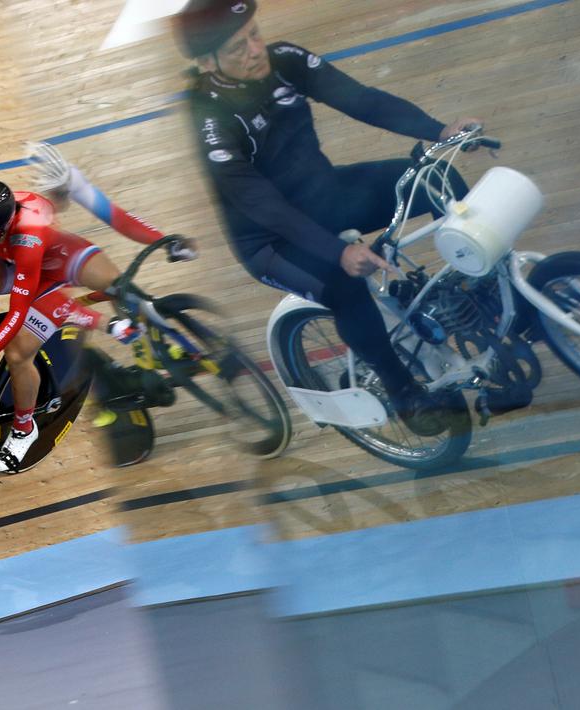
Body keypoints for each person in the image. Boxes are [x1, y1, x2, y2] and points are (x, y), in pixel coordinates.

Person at [172, 0, 482, 435]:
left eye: (255, 35)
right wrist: (336, 251)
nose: (256, 50)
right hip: (272, 240)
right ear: (208, 63)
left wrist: (437, 130)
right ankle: (404, 394)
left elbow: (361, 101)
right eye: (238, 49)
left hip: (325, 196)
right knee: (344, 285)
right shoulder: (208, 117)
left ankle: (478, 291)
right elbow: (262, 203)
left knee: (436, 179)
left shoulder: (284, 60)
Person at [0, 177, 191, 472]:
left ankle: (23, 428)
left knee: (18, 353)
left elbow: (18, 310)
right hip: (10, 258)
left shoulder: (29, 232)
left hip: (51, 271)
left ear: (3, 228)